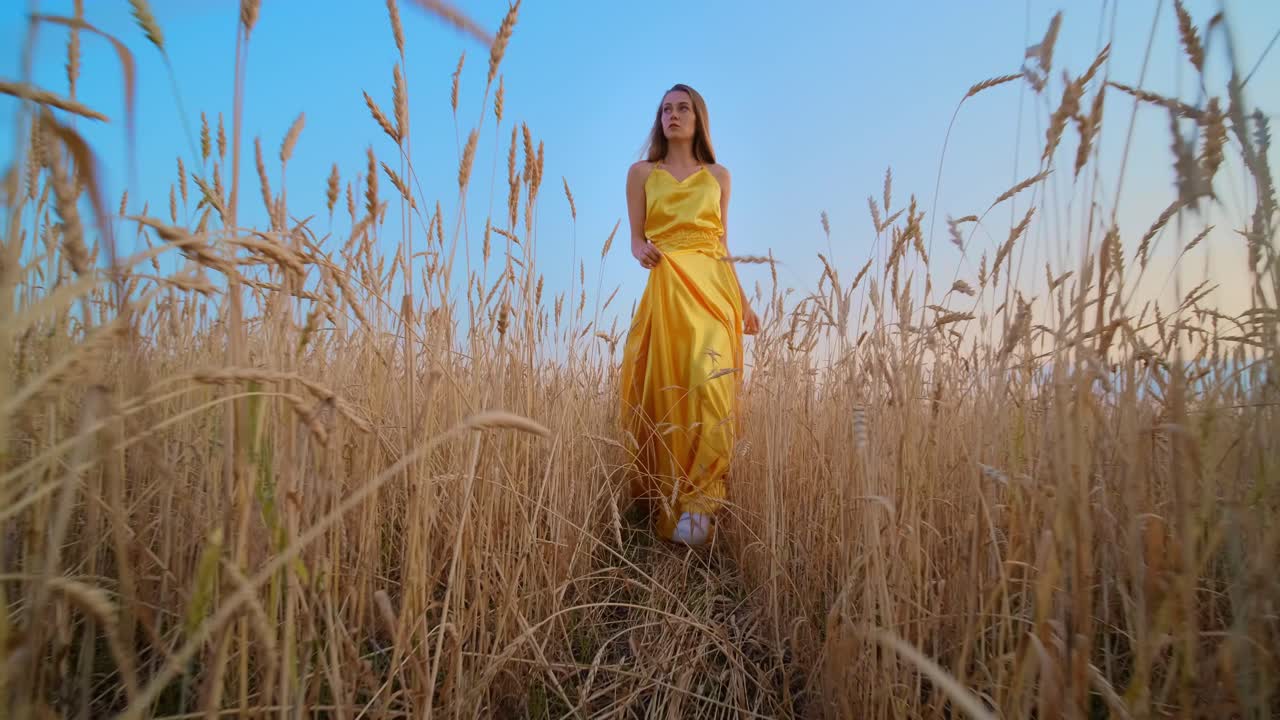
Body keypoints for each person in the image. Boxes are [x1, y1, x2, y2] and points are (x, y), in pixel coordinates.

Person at [618, 83, 760, 547]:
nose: (672, 115)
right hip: (667, 286)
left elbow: (722, 244)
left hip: (713, 290)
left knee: (711, 384)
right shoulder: (641, 173)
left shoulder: (718, 176)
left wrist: (743, 301)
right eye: (665, 109)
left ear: (698, 118)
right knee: (669, 391)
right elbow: (636, 238)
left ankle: (702, 501)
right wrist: (641, 249)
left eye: (682, 108)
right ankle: (669, 498)